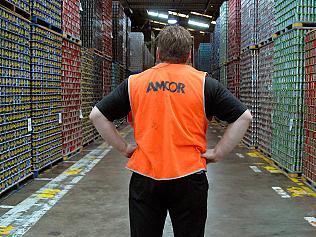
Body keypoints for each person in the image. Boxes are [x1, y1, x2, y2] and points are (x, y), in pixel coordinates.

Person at [89, 25, 252, 237]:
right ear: (189, 54)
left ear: (157, 53)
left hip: (145, 176)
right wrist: (217, 152)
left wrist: (125, 148)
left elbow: (97, 115)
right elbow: (243, 117)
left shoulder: (134, 83)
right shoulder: (205, 84)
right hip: (189, 176)